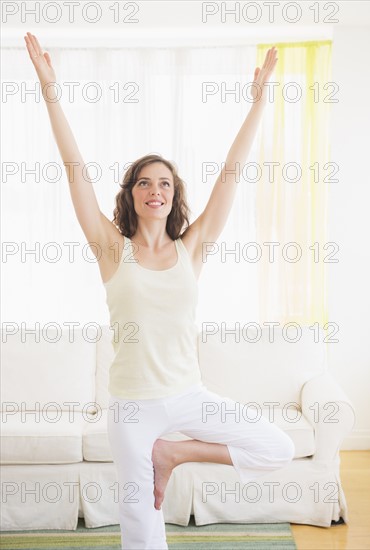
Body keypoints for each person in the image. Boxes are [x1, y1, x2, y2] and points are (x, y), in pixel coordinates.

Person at [25, 32, 295, 550]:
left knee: (275, 447)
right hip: (131, 406)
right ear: (132, 195)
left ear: (174, 198)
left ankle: (175, 454)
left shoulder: (192, 249)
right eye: (146, 183)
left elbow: (230, 177)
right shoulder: (111, 248)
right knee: (141, 521)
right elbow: (74, 172)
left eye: (166, 184)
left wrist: (258, 102)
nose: (157, 190)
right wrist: (50, 89)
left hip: (189, 397)